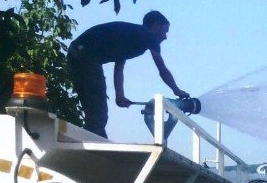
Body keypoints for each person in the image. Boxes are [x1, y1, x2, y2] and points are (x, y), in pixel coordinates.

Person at [67, 10, 189, 138]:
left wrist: (120, 95)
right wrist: (177, 90)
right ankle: (94, 150)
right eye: (165, 31)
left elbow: (119, 66)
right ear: (156, 26)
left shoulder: (132, 35)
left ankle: (94, 145)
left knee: (96, 113)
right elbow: (162, 69)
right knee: (98, 114)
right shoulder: (148, 36)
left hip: (77, 55)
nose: (165, 37)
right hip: (83, 57)